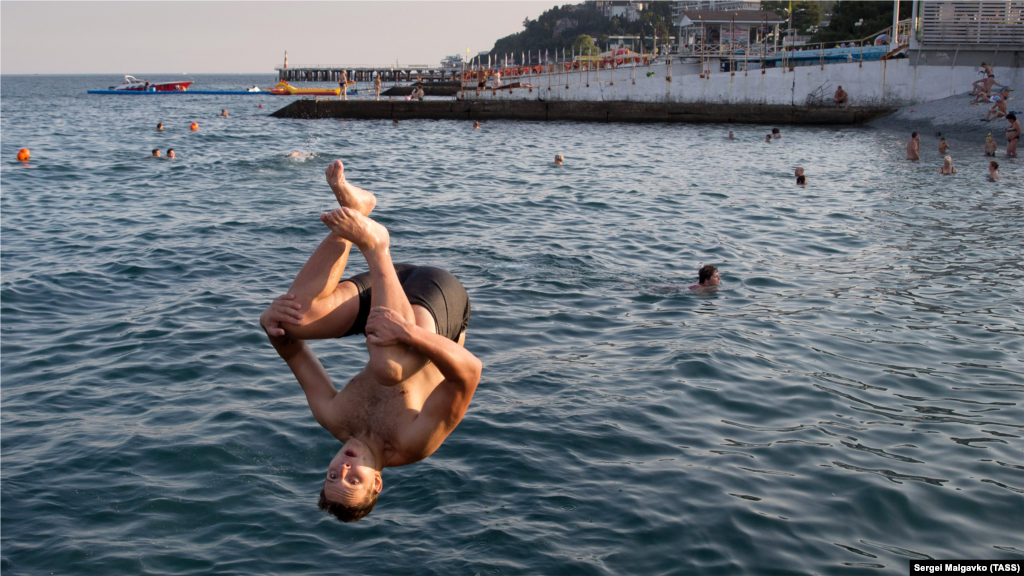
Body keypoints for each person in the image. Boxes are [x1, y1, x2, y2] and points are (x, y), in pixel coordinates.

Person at [259, 160, 481, 523]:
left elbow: (290, 349)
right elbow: (470, 372)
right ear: (377, 483)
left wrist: (268, 323)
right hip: (437, 302)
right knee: (390, 367)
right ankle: (376, 244)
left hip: (390, 295)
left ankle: (357, 213)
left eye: (332, 475)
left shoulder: (333, 416)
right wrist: (411, 334)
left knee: (291, 320)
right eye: (353, 480)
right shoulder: (414, 442)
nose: (343, 468)